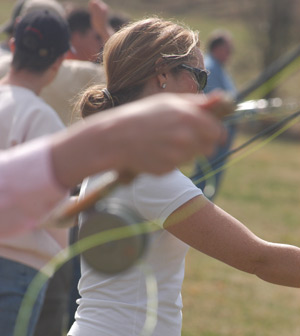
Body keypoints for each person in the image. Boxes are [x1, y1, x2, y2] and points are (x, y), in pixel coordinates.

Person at [67, 18, 300, 336]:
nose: (205, 94)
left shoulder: (118, 153)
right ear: (163, 73)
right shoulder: (145, 172)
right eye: (200, 78)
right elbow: (260, 259)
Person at [0, 91, 226, 237]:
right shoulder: (157, 180)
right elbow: (258, 259)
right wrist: (114, 138)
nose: (200, 88)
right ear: (162, 75)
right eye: (197, 74)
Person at [0, 9, 71, 336]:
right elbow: (53, 212)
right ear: (58, 63)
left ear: (13, 46)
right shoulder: (43, 120)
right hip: (17, 271)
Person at [193, 29, 237, 200]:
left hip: (221, 134)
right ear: (216, 48)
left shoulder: (220, 69)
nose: (230, 54)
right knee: (204, 178)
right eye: (227, 49)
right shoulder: (210, 68)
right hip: (215, 134)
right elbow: (212, 103)